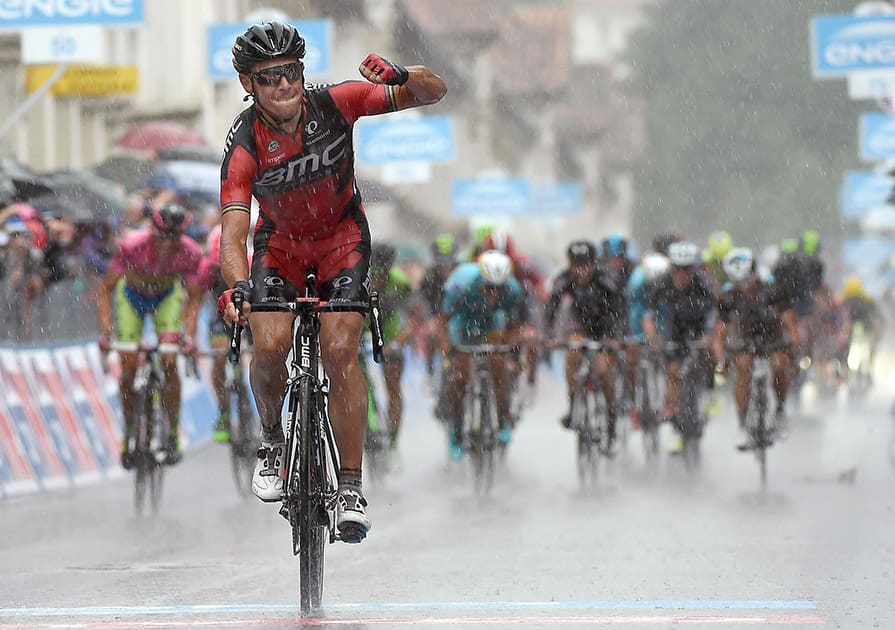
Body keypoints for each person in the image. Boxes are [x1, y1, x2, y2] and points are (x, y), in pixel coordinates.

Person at [217, 21, 446, 542]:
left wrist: (404, 74)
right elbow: (232, 234)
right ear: (249, 86)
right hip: (278, 246)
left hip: (342, 238)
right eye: (269, 76)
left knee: (342, 348)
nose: (283, 84)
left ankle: (348, 486)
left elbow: (435, 91)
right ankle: (273, 440)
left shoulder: (335, 102)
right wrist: (237, 287)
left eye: (291, 71)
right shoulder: (244, 142)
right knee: (270, 344)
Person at [96, 203, 204, 468]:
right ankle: (130, 431)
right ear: (152, 229)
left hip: (166, 299)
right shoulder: (131, 245)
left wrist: (188, 337)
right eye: (162, 236)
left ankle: (172, 432)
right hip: (131, 298)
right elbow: (105, 291)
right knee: (128, 365)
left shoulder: (190, 252)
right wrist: (106, 333)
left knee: (169, 361)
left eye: (174, 237)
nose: (167, 243)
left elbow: (193, 299)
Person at [438, 250, 533, 460]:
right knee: (460, 375)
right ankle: (456, 430)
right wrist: (447, 350)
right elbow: (442, 321)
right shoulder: (461, 284)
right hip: (463, 321)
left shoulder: (513, 290)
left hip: (491, 322)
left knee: (498, 363)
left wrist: (508, 348)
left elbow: (516, 325)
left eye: (498, 289)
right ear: (481, 279)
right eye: (489, 288)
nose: (494, 294)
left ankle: (503, 419)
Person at [545, 240, 627, 453]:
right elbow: (551, 308)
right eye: (576, 265)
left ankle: (610, 419)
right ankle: (573, 407)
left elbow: (620, 310)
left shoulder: (606, 281)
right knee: (572, 355)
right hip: (579, 324)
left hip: (605, 326)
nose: (581, 270)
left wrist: (615, 337)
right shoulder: (564, 280)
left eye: (585, 265)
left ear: (593, 264)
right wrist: (550, 335)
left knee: (602, 370)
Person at [714, 248, 799, 449]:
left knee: (779, 365)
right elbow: (719, 332)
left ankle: (779, 410)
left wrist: (794, 351)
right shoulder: (727, 297)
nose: (744, 287)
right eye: (738, 283)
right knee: (743, 368)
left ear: (754, 274)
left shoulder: (773, 290)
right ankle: (743, 423)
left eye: (746, 280)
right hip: (744, 338)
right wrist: (721, 360)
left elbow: (790, 322)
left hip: (772, 336)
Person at [643, 241, 722, 452]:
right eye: (677, 269)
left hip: (698, 327)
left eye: (687, 270)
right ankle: (676, 422)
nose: (682, 275)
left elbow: (715, 313)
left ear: (693, 269)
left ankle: (710, 388)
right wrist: (654, 339)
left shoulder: (703, 284)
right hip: (674, 330)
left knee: (709, 352)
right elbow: (648, 316)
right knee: (673, 371)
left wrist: (708, 335)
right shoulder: (660, 284)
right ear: (671, 268)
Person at [367, 242, 413, 453]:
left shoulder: (401, 282)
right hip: (363, 322)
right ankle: (368, 417)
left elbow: (415, 318)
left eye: (382, 275)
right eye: (374, 274)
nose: (378, 281)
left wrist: (397, 343)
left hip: (389, 327)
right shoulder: (359, 279)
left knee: (393, 385)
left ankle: (393, 442)